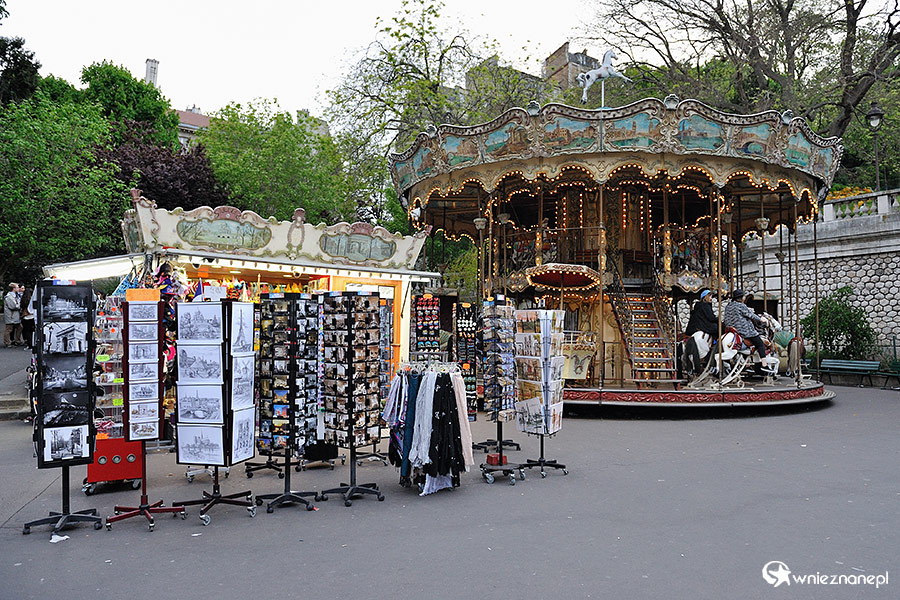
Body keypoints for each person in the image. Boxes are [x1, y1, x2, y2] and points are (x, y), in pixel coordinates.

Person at [722, 289, 767, 363]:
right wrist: (761, 319)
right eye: (743, 296)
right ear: (741, 297)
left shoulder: (728, 306)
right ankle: (764, 364)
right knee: (760, 343)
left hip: (731, 329)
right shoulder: (741, 306)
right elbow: (751, 315)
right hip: (743, 330)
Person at [4, 283, 23, 347]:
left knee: (19, 327)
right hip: (11, 315)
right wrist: (20, 305)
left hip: (14, 315)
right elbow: (13, 306)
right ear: (13, 288)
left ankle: (17, 340)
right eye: (17, 287)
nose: (18, 288)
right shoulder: (9, 296)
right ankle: (7, 342)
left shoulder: (15, 295)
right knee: (9, 329)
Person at [20, 285, 35, 351]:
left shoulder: (24, 299)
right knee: (33, 331)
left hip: (26, 317)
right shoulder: (33, 299)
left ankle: (29, 345)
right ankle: (34, 344)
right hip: (33, 316)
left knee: (27, 331)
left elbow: (21, 307)